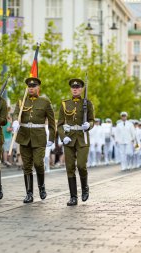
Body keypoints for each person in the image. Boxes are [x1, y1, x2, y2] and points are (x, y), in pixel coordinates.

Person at [12, 77, 55, 203]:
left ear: (38, 88)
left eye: (34, 86)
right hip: (24, 137)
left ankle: (41, 187)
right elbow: (15, 113)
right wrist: (15, 120)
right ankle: (29, 193)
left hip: (39, 137)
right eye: (29, 86)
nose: (31, 88)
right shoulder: (21, 101)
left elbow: (52, 122)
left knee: (38, 163)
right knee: (27, 166)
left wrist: (52, 137)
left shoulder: (45, 102)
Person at [57, 78, 95, 206]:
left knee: (81, 165)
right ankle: (73, 197)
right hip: (69, 138)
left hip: (82, 137)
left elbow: (92, 121)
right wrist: (63, 136)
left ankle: (85, 187)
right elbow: (60, 124)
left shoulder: (87, 103)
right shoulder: (64, 104)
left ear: (82, 89)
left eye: (78, 87)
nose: (75, 89)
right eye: (73, 87)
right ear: (70, 89)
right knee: (70, 168)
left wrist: (88, 125)